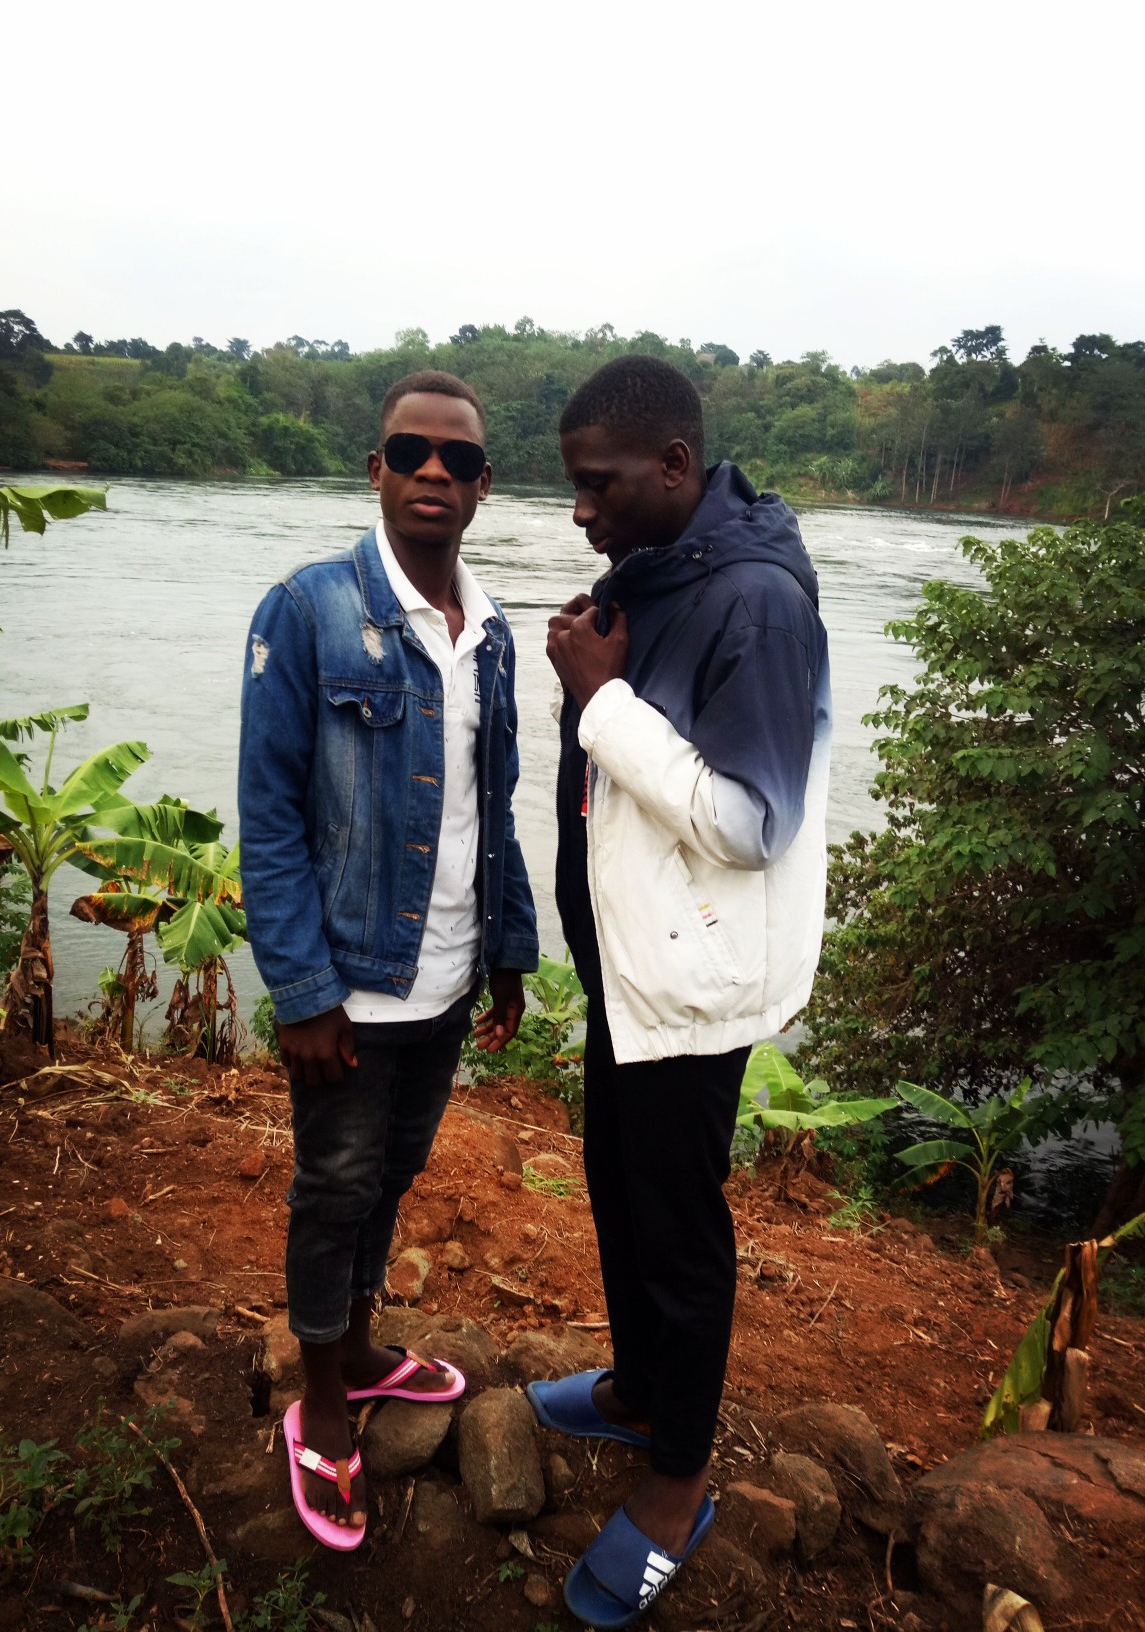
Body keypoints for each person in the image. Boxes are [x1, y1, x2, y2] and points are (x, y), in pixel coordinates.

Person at [528, 355, 830, 1627]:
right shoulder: (660, 572)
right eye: (573, 486)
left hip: (695, 981)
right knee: (618, 1179)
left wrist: (600, 700)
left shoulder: (755, 602)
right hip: (633, 967)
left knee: (678, 1225)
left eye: (599, 485)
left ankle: (677, 1479)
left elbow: (754, 823)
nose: (580, 510)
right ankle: (643, 1390)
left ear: (672, 466)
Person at [238, 370, 538, 1550]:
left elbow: (491, 809)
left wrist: (507, 952)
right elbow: (269, 815)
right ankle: (320, 1396)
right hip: (350, 985)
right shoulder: (307, 611)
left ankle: (360, 1345)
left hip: (447, 976)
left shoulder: (491, 633)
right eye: (411, 452)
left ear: (482, 485)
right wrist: (303, 990)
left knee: (393, 1172)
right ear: (377, 469)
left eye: (456, 460)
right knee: (334, 1185)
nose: (432, 473)